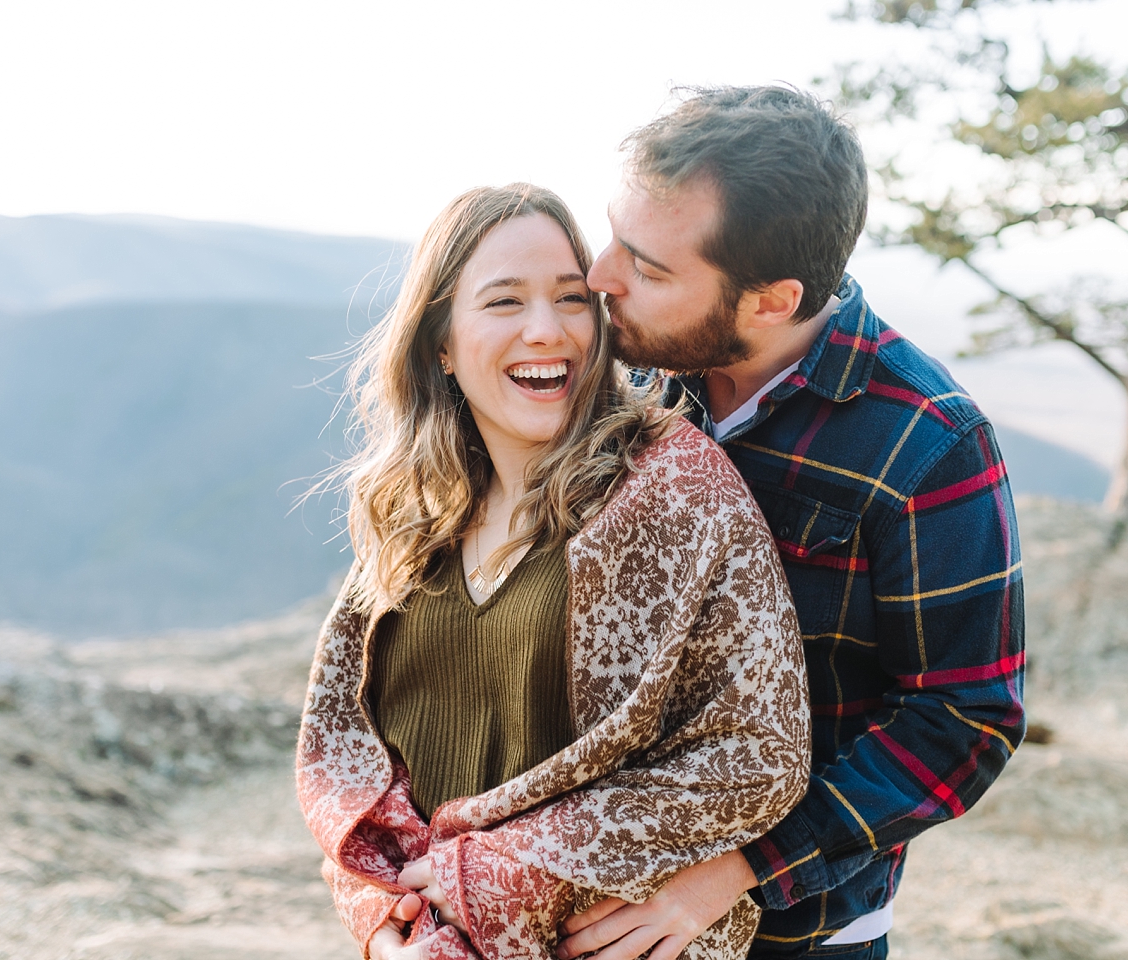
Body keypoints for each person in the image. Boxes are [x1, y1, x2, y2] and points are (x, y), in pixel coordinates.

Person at [556, 86, 1026, 960]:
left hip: (796, 933)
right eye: (613, 233)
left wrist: (738, 869)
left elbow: (966, 720)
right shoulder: (634, 377)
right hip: (587, 900)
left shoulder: (926, 443)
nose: (598, 278)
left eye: (649, 267)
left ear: (771, 301)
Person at [295, 183, 812, 960]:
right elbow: (343, 755)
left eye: (572, 300)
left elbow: (758, 755)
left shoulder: (669, 486)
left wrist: (501, 871)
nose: (547, 331)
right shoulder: (413, 517)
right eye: (504, 302)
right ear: (440, 340)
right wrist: (381, 920)